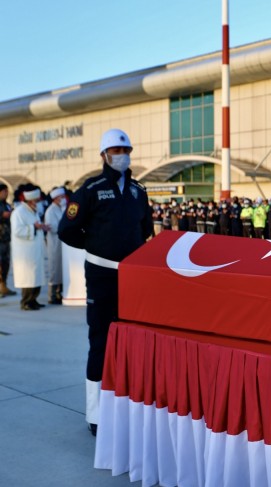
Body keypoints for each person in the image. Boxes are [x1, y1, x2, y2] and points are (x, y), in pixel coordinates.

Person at [59, 128, 153, 436]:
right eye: (115, 151)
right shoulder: (90, 189)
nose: (122, 156)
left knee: (132, 343)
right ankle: (96, 414)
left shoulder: (139, 191)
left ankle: (127, 404)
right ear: (104, 155)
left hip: (133, 279)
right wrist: (96, 245)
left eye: (125, 151)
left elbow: (146, 231)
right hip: (101, 275)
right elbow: (67, 230)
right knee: (100, 342)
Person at [10, 186, 49, 310]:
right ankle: (26, 302)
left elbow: (35, 225)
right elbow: (17, 231)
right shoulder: (19, 212)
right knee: (28, 277)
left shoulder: (33, 210)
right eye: (37, 200)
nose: (38, 203)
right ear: (30, 201)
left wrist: (40, 226)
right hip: (25, 252)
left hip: (34, 249)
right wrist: (34, 227)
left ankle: (33, 300)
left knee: (36, 276)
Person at [44, 187, 67, 304]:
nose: (63, 199)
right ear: (55, 198)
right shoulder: (50, 211)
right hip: (55, 243)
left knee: (62, 268)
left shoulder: (62, 208)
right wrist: (63, 228)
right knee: (54, 268)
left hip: (63, 243)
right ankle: (51, 296)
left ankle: (59, 293)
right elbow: (52, 227)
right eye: (61, 197)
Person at [0, 183, 17, 297]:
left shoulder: (6, 205)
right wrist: (2, 215)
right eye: (4, 192)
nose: (6, 194)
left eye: (7, 191)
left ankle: (4, 286)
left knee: (6, 263)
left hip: (6, 238)